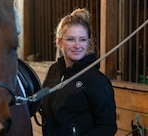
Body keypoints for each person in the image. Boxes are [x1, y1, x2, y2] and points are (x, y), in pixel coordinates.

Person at [41, 8, 117, 136]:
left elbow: (107, 126)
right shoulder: (54, 71)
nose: (77, 46)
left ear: (88, 43)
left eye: (82, 39)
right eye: (71, 39)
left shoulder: (97, 81)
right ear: (59, 41)